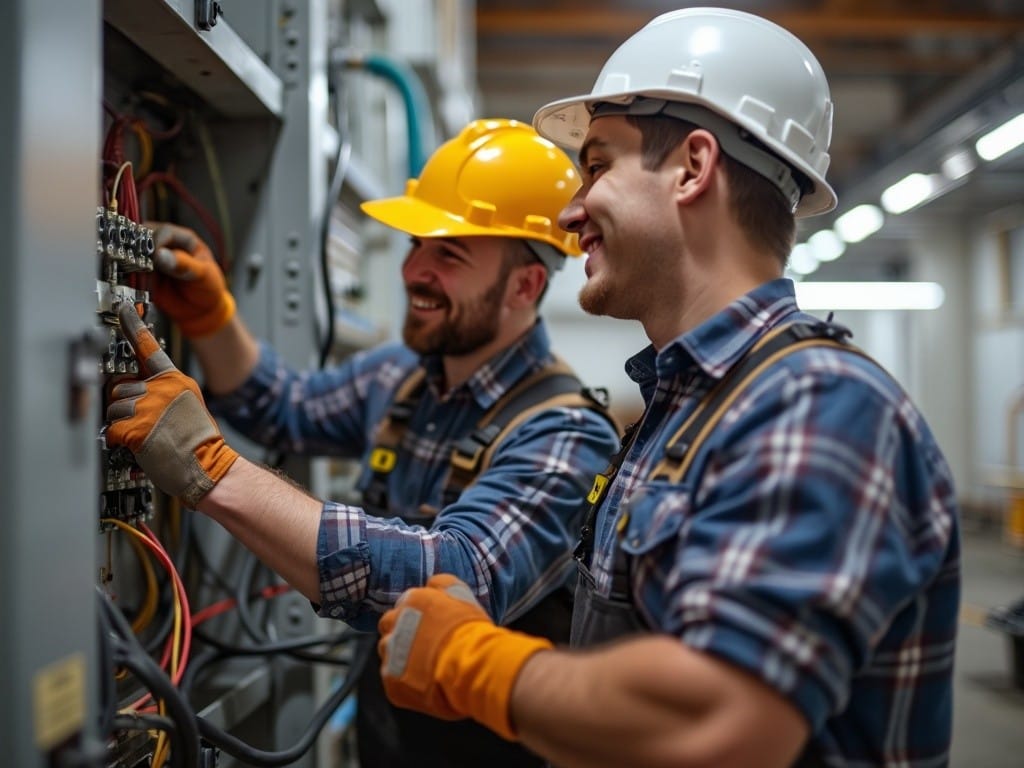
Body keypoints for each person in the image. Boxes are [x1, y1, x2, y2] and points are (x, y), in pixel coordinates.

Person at [373, 9, 962, 768]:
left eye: (597, 165)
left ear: (692, 167)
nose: (569, 211)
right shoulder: (685, 410)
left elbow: (720, 723)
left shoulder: (814, 403)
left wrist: (474, 664)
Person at [104, 118, 621, 768]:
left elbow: (456, 576)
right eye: (414, 245)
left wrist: (214, 472)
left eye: (449, 254)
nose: (413, 271)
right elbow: (284, 408)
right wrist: (214, 320)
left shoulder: (565, 434)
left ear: (525, 287)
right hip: (391, 738)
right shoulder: (402, 377)